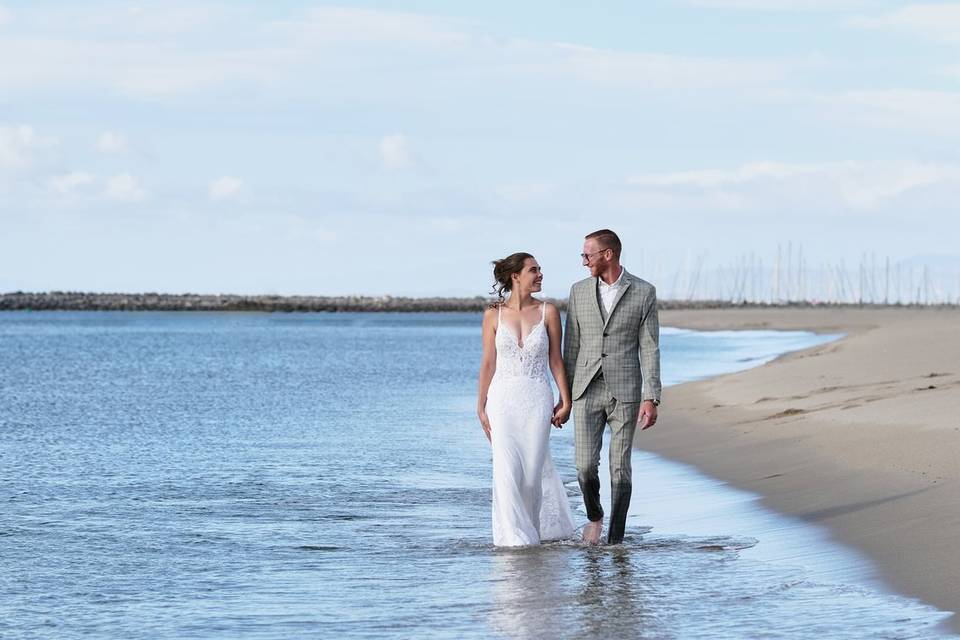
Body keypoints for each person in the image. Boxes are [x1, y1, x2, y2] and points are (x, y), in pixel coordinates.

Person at [562, 229, 661, 545]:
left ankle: (615, 541)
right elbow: (571, 346)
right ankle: (594, 516)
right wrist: (565, 397)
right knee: (584, 466)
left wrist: (651, 396)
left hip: (626, 391)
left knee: (620, 467)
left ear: (608, 254)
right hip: (586, 389)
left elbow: (649, 346)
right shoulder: (578, 292)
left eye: (587, 255)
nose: (583, 261)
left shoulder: (644, 292)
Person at [477, 252, 576, 546]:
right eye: (534, 270)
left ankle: (531, 533)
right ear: (515, 276)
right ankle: (514, 541)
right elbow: (487, 364)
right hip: (502, 401)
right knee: (506, 473)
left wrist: (565, 399)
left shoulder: (549, 312)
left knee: (531, 477)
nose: (540, 274)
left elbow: (556, 361)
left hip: (537, 399)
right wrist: (480, 407)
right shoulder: (492, 314)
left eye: (540, 269)